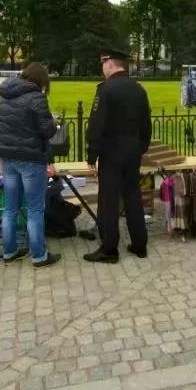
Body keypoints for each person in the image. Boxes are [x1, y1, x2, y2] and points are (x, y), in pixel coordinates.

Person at [84, 48, 152, 263]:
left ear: (109, 63)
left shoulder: (106, 90)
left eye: (102, 64)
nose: (102, 69)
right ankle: (140, 244)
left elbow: (96, 126)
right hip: (132, 151)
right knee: (133, 196)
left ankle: (109, 249)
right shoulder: (139, 89)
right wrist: (140, 147)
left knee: (109, 199)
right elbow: (146, 125)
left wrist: (91, 155)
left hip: (111, 152)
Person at [0, 62, 61, 268]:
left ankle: (9, 252)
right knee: (35, 208)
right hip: (30, 158)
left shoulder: (4, 94)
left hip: (7, 157)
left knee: (10, 207)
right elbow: (47, 131)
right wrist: (54, 122)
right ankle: (39, 255)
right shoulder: (37, 97)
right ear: (41, 81)